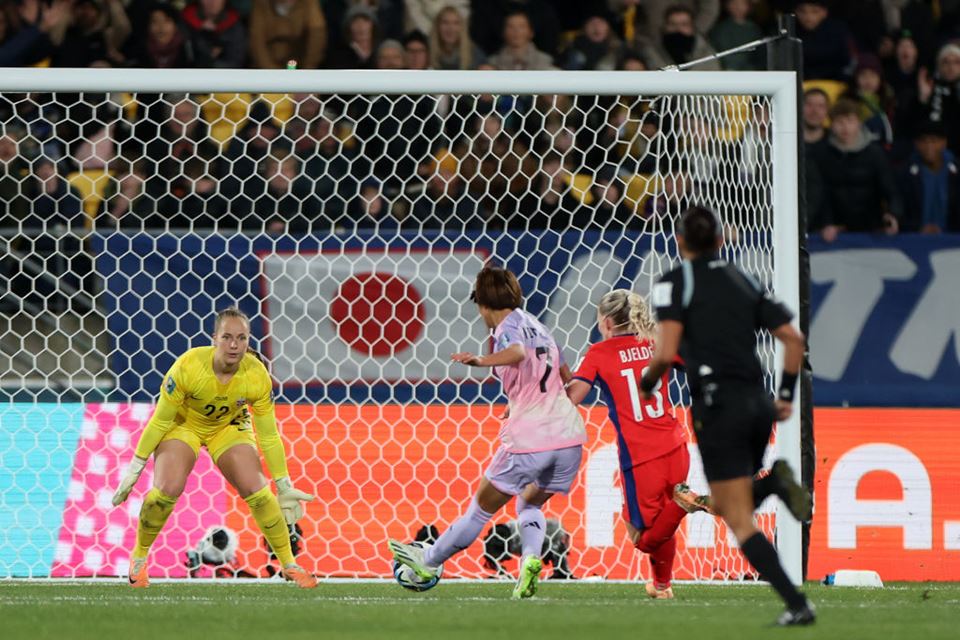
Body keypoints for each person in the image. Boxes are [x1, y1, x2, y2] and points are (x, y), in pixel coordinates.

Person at [640, 205, 814, 626]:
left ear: (680, 243)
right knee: (731, 504)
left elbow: (665, 353)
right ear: (720, 240)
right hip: (759, 405)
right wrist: (786, 395)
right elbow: (792, 339)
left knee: (737, 519)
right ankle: (771, 482)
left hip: (718, 408)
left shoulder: (673, 284)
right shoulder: (744, 279)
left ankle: (798, 606)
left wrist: (647, 382)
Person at [388, 266, 585, 599]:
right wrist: (525, 400)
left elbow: (518, 353)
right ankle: (531, 561)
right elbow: (566, 378)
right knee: (528, 505)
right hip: (569, 440)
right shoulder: (539, 326)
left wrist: (479, 361)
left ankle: (428, 561)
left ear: (482, 303)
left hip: (529, 440)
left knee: (479, 510)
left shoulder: (507, 328)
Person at [111, 308, 318, 588]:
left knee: (259, 492)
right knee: (165, 491)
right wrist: (135, 468)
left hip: (228, 426)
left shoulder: (256, 375)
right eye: (227, 337)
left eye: (242, 338)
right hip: (184, 424)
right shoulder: (188, 367)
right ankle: (138, 560)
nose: (234, 345)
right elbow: (160, 421)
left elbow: (268, 435)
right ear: (214, 339)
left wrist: (283, 485)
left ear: (248, 341)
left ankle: (289, 565)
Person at [566, 290, 711, 599]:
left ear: (606, 322)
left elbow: (572, 399)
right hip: (676, 447)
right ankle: (662, 586)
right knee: (662, 523)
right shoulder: (658, 342)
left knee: (642, 538)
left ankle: (684, 504)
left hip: (642, 458)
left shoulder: (599, 353)